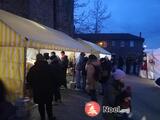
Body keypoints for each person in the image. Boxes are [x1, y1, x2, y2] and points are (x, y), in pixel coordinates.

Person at [27, 54, 56, 120]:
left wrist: (33, 86)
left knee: (40, 104)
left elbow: (28, 79)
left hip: (38, 90)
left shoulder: (33, 68)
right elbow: (54, 78)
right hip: (48, 90)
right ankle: (50, 117)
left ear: (36, 59)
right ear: (43, 59)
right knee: (49, 104)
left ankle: (42, 118)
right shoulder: (49, 67)